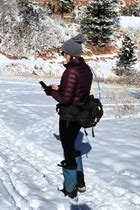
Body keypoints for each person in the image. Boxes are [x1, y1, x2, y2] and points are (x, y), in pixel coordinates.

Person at [44, 34, 92, 198]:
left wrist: (51, 92)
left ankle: (70, 188)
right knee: (72, 147)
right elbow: (77, 91)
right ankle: (80, 183)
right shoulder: (84, 68)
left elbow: (65, 100)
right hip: (79, 114)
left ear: (71, 55)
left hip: (68, 117)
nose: (63, 56)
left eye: (64, 53)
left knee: (68, 150)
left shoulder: (71, 72)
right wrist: (60, 87)